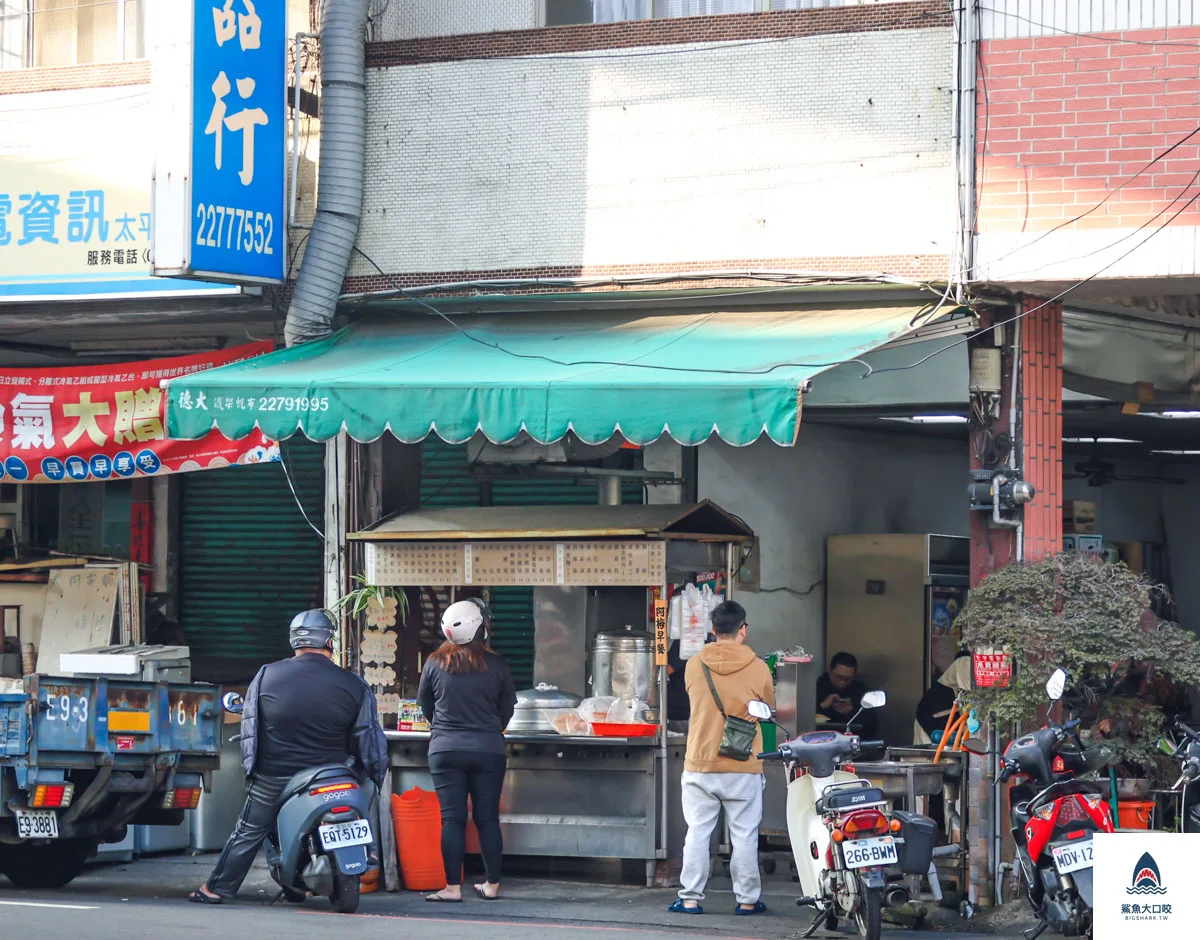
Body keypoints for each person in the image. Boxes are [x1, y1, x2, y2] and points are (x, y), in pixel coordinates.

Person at [189, 609, 388, 904]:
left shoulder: (267, 675)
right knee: (368, 789)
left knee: (249, 830)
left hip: (275, 776)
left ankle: (216, 889)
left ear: (295, 640)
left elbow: (250, 728)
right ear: (329, 641)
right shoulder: (353, 684)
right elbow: (368, 739)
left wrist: (252, 772)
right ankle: (367, 848)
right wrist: (371, 773)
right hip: (334, 775)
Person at [669, 600, 774, 917]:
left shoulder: (694, 664)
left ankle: (689, 899)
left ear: (713, 631)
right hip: (743, 762)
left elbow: (693, 700)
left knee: (698, 832)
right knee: (744, 834)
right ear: (743, 630)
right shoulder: (759, 667)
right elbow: (766, 710)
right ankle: (746, 900)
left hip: (701, 761)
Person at [418, 598, 517, 903]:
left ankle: (451, 888)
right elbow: (507, 709)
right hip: (489, 750)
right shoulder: (497, 665)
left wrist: (446, 731)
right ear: (480, 630)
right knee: (487, 819)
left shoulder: (434, 663)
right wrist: (488, 730)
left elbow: (425, 706)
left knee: (453, 820)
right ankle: (491, 885)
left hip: (445, 750)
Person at [815, 651, 877, 735]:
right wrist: (822, 706)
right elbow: (802, 721)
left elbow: (872, 727)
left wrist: (852, 713)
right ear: (829, 670)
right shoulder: (814, 689)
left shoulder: (860, 691)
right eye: (839, 677)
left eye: (848, 679)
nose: (843, 682)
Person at [666, 638, 691, 734]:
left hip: (679, 710)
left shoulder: (684, 643)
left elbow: (667, 670)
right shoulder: (706, 641)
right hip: (694, 709)